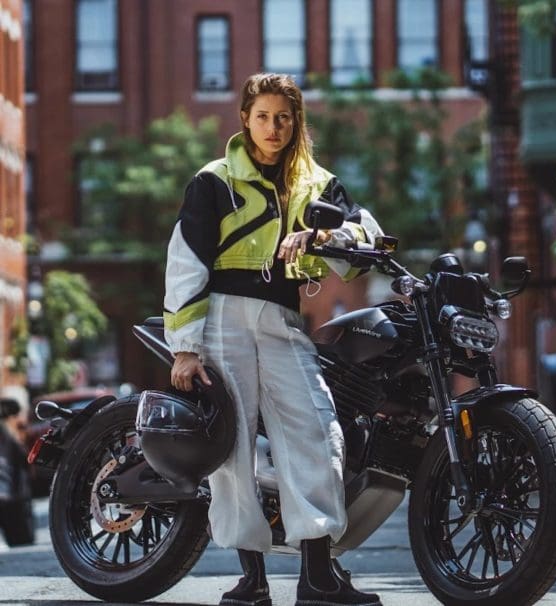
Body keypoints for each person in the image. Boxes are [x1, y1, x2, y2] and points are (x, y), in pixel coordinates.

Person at [164, 73, 383, 606]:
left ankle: (317, 575)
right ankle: (251, 580)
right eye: (262, 116)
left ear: (296, 121)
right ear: (245, 119)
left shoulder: (318, 182)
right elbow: (186, 263)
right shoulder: (213, 180)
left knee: (316, 430)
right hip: (221, 319)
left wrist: (326, 236)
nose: (273, 127)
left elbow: (369, 236)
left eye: (283, 117)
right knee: (231, 446)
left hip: (283, 319)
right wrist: (186, 348)